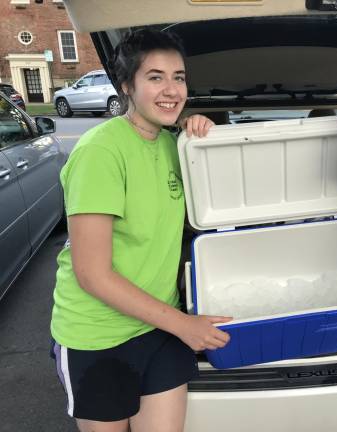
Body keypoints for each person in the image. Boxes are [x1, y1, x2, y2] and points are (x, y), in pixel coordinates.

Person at [50, 29, 231, 432]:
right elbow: (91, 273)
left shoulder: (174, 146)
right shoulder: (101, 150)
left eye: (179, 77)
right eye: (155, 77)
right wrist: (184, 325)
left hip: (159, 327)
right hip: (97, 335)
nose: (171, 90)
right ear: (126, 85)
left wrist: (198, 133)